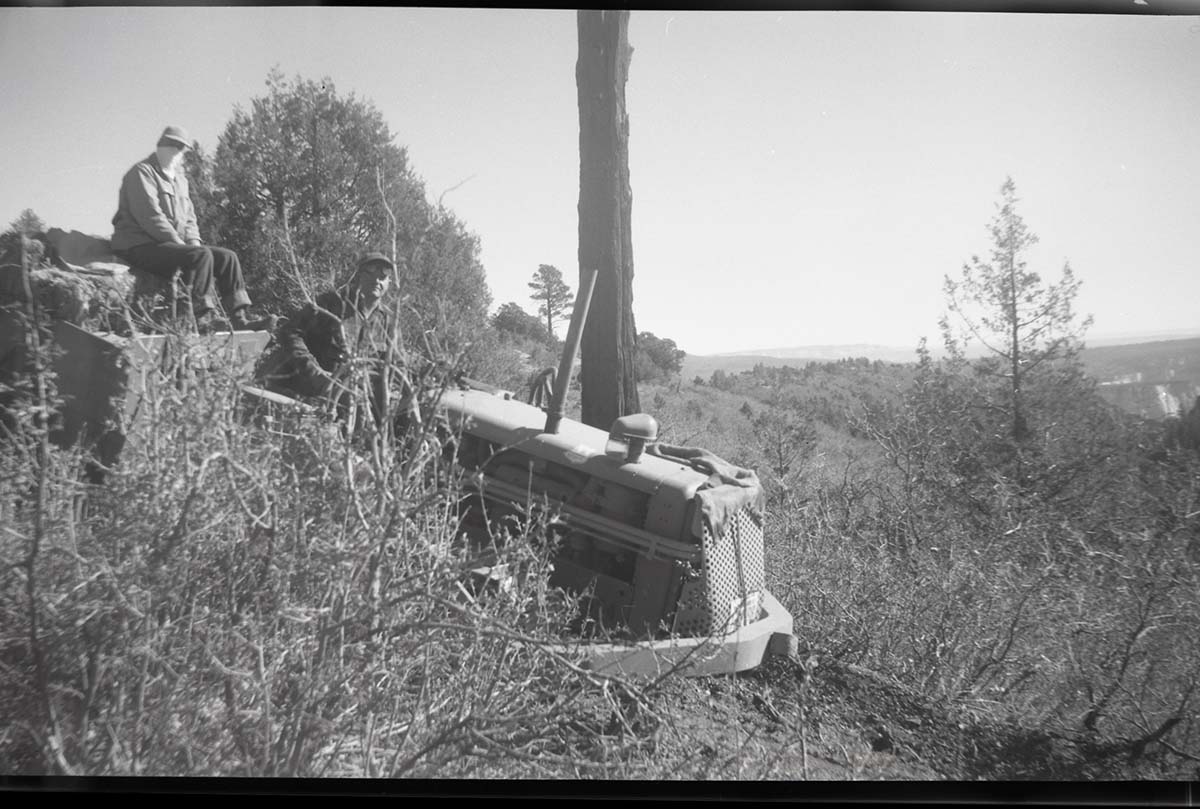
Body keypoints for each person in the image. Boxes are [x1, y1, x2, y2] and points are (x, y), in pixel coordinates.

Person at [111, 125, 272, 330]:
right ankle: (202, 320)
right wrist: (183, 245)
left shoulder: (181, 180)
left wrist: (193, 243)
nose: (176, 150)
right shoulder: (142, 172)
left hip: (168, 245)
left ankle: (239, 318)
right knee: (200, 256)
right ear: (161, 144)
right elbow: (150, 217)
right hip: (139, 245)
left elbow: (189, 218)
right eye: (172, 144)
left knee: (227, 257)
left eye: (181, 147)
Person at [255, 251, 397, 407]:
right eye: (370, 273)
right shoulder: (329, 304)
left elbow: (396, 362)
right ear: (357, 276)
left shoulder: (388, 321)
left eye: (383, 277)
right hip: (305, 390)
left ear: (389, 283)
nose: (377, 280)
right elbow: (289, 333)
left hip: (358, 396)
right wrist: (317, 375)